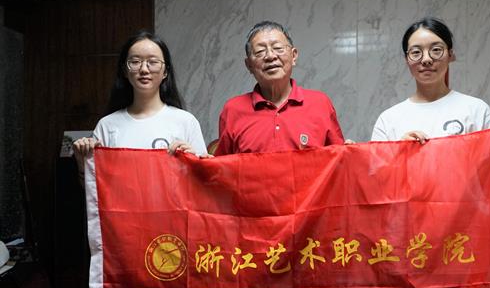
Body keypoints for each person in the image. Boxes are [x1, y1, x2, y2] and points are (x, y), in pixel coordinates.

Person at [371, 17, 490, 155]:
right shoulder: (388, 120)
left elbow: (484, 169)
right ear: (406, 59)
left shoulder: (476, 110)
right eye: (416, 52)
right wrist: (399, 152)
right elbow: (376, 171)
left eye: (436, 50)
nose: (426, 59)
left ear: (450, 55)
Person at [73, 30, 208, 176]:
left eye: (153, 62)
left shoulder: (186, 122)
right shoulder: (107, 126)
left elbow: (203, 181)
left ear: (165, 72)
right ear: (125, 70)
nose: (144, 69)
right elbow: (97, 186)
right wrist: (83, 163)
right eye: (135, 62)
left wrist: (192, 161)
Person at [214, 21, 345, 155]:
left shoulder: (320, 103)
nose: (270, 56)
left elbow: (339, 160)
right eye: (260, 52)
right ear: (249, 65)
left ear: (294, 56)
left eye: (278, 48)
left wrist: (350, 152)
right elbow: (222, 165)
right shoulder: (233, 110)